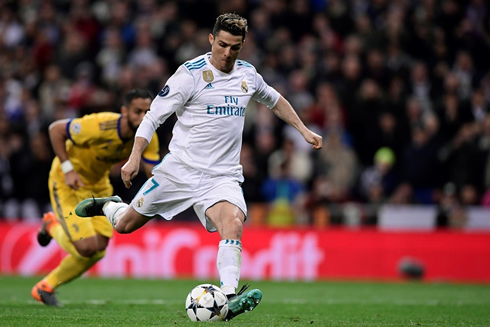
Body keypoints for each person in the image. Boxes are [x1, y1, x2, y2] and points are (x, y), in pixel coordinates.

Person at [75, 13, 322, 320]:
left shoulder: (248, 75)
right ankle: (110, 205)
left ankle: (229, 298)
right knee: (125, 225)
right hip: (178, 171)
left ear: (243, 45)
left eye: (234, 47)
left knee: (233, 224)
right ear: (210, 40)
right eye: (222, 45)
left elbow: (275, 99)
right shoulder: (189, 74)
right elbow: (153, 116)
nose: (227, 53)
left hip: (222, 176)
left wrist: (304, 130)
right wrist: (135, 156)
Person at [31, 89, 160, 306]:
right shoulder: (101, 125)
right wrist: (68, 168)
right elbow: (55, 130)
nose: (143, 117)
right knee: (87, 247)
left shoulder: (149, 136)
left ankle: (45, 286)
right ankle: (51, 224)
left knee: (99, 249)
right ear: (124, 111)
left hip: (98, 187)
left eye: (148, 112)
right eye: (138, 111)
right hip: (68, 181)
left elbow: (153, 172)